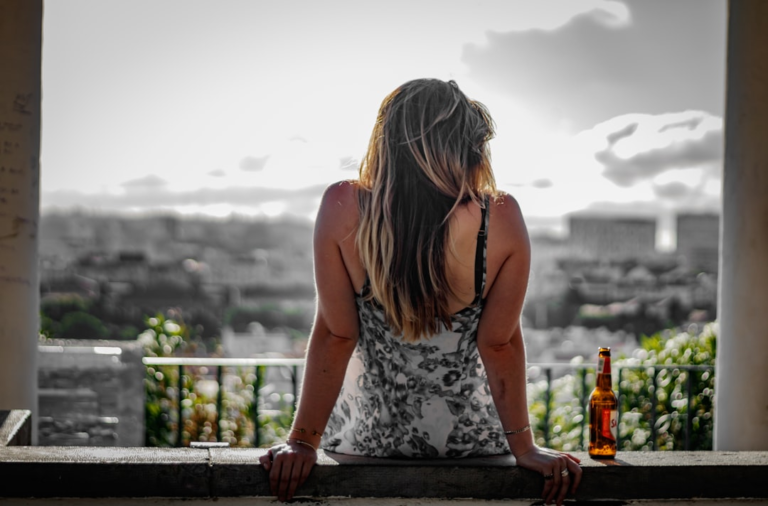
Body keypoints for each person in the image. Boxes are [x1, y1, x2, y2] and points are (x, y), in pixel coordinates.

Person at [259, 78, 582, 505]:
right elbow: (499, 343)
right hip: (474, 449)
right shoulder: (499, 217)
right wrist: (525, 448)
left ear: (389, 139)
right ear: (466, 144)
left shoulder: (343, 206)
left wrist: (302, 441)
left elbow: (337, 335)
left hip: (361, 444)